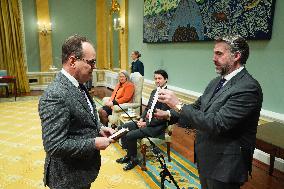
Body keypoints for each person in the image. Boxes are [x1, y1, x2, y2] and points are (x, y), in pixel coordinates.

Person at [155, 35, 263, 189]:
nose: (213, 58)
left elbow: (217, 124)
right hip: (206, 156)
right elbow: (198, 108)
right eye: (214, 53)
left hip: (225, 166)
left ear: (236, 56)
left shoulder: (248, 88)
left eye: (219, 54)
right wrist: (169, 114)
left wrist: (178, 105)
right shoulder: (216, 82)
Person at [38, 35, 115, 189]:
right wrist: (93, 143)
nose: (94, 67)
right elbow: (54, 145)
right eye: (91, 62)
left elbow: (83, 116)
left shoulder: (79, 84)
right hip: (67, 178)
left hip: (81, 172)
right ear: (73, 61)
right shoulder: (56, 94)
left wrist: (99, 128)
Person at [116, 69, 173, 171]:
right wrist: (141, 118)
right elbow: (147, 108)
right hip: (147, 122)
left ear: (166, 79)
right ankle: (129, 155)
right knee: (122, 128)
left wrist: (145, 123)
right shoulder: (154, 92)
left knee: (130, 135)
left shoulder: (168, 96)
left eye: (159, 78)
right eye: (155, 78)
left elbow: (161, 118)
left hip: (156, 127)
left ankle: (134, 159)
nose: (157, 81)